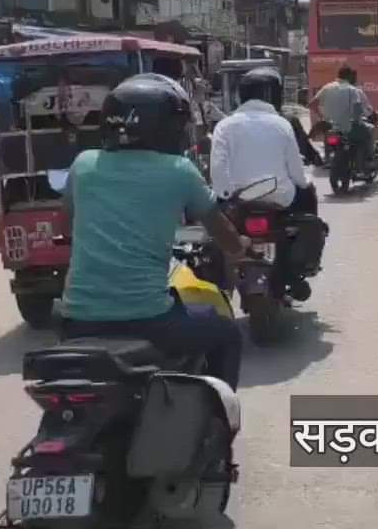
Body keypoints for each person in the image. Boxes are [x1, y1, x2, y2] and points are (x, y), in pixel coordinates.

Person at [59, 74, 249, 389]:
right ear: (166, 127)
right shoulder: (179, 171)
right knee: (226, 333)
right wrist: (240, 250)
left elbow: (65, 226)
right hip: (148, 320)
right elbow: (220, 230)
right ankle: (219, 421)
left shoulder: (83, 165)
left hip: (76, 322)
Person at [211, 67, 316, 214]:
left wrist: (226, 195)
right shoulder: (282, 124)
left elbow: (218, 168)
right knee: (308, 198)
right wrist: (305, 183)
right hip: (281, 198)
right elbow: (296, 171)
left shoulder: (224, 126)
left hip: (238, 201)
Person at [309, 65, 373, 168]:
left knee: (329, 136)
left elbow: (312, 104)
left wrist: (321, 116)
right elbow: (357, 108)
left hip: (330, 125)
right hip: (348, 126)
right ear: (349, 77)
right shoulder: (352, 90)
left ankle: (328, 158)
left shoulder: (327, 87)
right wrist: (358, 120)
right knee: (368, 132)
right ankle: (368, 160)